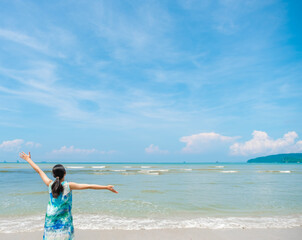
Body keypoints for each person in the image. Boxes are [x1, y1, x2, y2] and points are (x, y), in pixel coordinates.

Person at [19, 152, 118, 240]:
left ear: (53, 174)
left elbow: (39, 171)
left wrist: (28, 159)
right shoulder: (68, 186)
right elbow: (88, 186)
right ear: (65, 173)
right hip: (64, 219)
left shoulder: (49, 184)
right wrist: (106, 187)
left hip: (50, 217)